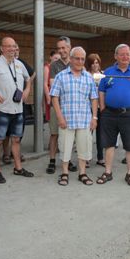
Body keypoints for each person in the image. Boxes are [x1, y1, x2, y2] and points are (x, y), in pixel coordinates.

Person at [97, 44, 130, 186]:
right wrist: (102, 109)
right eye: (122, 54)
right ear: (116, 56)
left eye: (128, 54)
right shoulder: (108, 72)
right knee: (109, 144)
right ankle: (108, 172)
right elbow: (101, 91)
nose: (126, 57)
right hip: (109, 114)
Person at [0, 37, 34, 184]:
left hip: (18, 109)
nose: (13, 49)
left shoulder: (19, 64)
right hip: (1, 109)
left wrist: (27, 90)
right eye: (9, 46)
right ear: (2, 48)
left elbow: (28, 78)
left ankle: (18, 167)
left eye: (14, 46)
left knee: (16, 139)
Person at [50, 47, 98, 186]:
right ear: (70, 59)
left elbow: (94, 98)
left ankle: (82, 173)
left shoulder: (89, 77)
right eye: (77, 58)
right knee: (65, 147)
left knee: (84, 148)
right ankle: (64, 173)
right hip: (67, 120)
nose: (80, 61)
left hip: (84, 120)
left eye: (82, 59)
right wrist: (59, 117)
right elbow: (54, 97)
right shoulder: (61, 76)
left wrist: (94, 118)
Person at [46, 36, 77, 174]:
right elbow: (54, 87)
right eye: (59, 48)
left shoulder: (76, 63)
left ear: (69, 48)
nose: (61, 50)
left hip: (71, 107)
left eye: (64, 48)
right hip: (56, 106)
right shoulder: (54, 65)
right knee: (54, 134)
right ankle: (52, 161)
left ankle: (67, 160)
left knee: (69, 135)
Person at [86, 53, 105, 167]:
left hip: (101, 107)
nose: (95, 65)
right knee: (88, 134)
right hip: (88, 108)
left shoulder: (103, 75)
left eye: (97, 62)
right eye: (92, 63)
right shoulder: (86, 75)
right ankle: (86, 158)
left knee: (101, 134)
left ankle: (100, 157)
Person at [43, 50, 61, 122]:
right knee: (52, 116)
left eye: (59, 59)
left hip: (58, 94)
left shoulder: (58, 68)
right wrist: (48, 97)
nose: (57, 60)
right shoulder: (47, 67)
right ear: (51, 57)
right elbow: (45, 84)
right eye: (55, 58)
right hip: (50, 93)